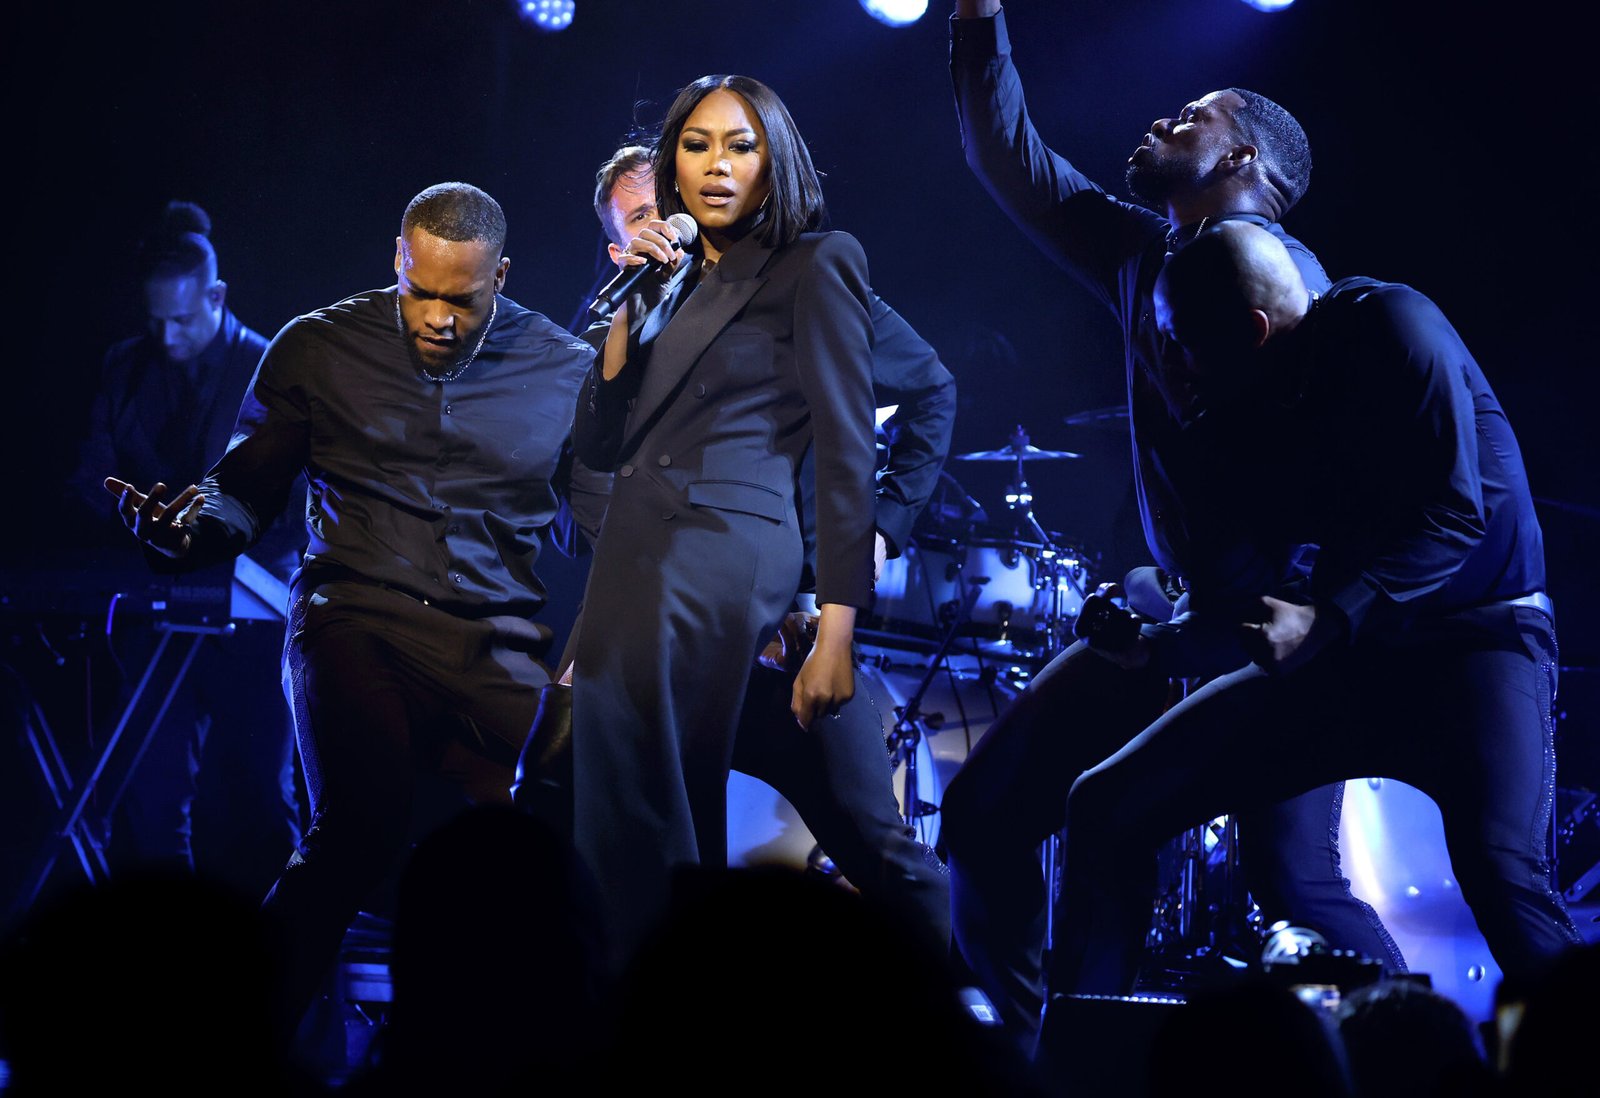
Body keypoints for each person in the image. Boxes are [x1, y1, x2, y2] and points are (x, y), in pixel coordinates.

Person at [941, 0, 1399, 1043]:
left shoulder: (1297, 294)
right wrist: (975, 15)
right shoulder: (1143, 251)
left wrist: (1316, 618)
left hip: (1275, 623)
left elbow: (1357, 487)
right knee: (987, 814)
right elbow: (1007, 155)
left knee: (1291, 879)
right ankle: (1048, 1057)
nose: (1157, 124)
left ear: (1239, 154)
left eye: (1187, 116)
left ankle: (1421, 1059)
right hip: (1176, 604)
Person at [103, 182, 604, 1031]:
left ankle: (545, 1049)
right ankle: (233, 1053)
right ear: (396, 263)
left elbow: (603, 530)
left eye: (463, 300)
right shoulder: (319, 346)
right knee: (358, 829)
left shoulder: (564, 370)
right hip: (354, 617)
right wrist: (183, 535)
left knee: (581, 823)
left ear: (503, 277)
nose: (438, 318)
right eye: (421, 292)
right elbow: (240, 493)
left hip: (494, 642)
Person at [1051, 220, 1583, 996]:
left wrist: (1328, 617)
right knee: (1107, 806)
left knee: (1503, 874)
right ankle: (1083, 1065)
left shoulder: (1392, 323)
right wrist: (1154, 649)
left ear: (1254, 331)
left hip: (1481, 638)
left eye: (1180, 340)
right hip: (1349, 655)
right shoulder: (1230, 425)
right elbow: (1241, 615)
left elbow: (1454, 514)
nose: (1170, 363)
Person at [583, 143, 956, 944]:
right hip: (669, 636)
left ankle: (961, 1025)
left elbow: (929, 388)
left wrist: (884, 527)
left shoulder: (795, 279)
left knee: (873, 839)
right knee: (650, 846)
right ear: (621, 248)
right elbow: (583, 482)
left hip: (785, 627)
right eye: (645, 217)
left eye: (672, 198)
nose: (670, 222)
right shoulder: (624, 323)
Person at [65, 201, 301, 898]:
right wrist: (127, 520)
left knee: (257, 798)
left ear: (217, 297)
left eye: (183, 319)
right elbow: (90, 477)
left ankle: (274, 973)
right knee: (149, 797)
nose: (166, 337)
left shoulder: (272, 367)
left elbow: (298, 503)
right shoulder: (125, 366)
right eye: (155, 320)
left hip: (251, 620)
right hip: (155, 613)